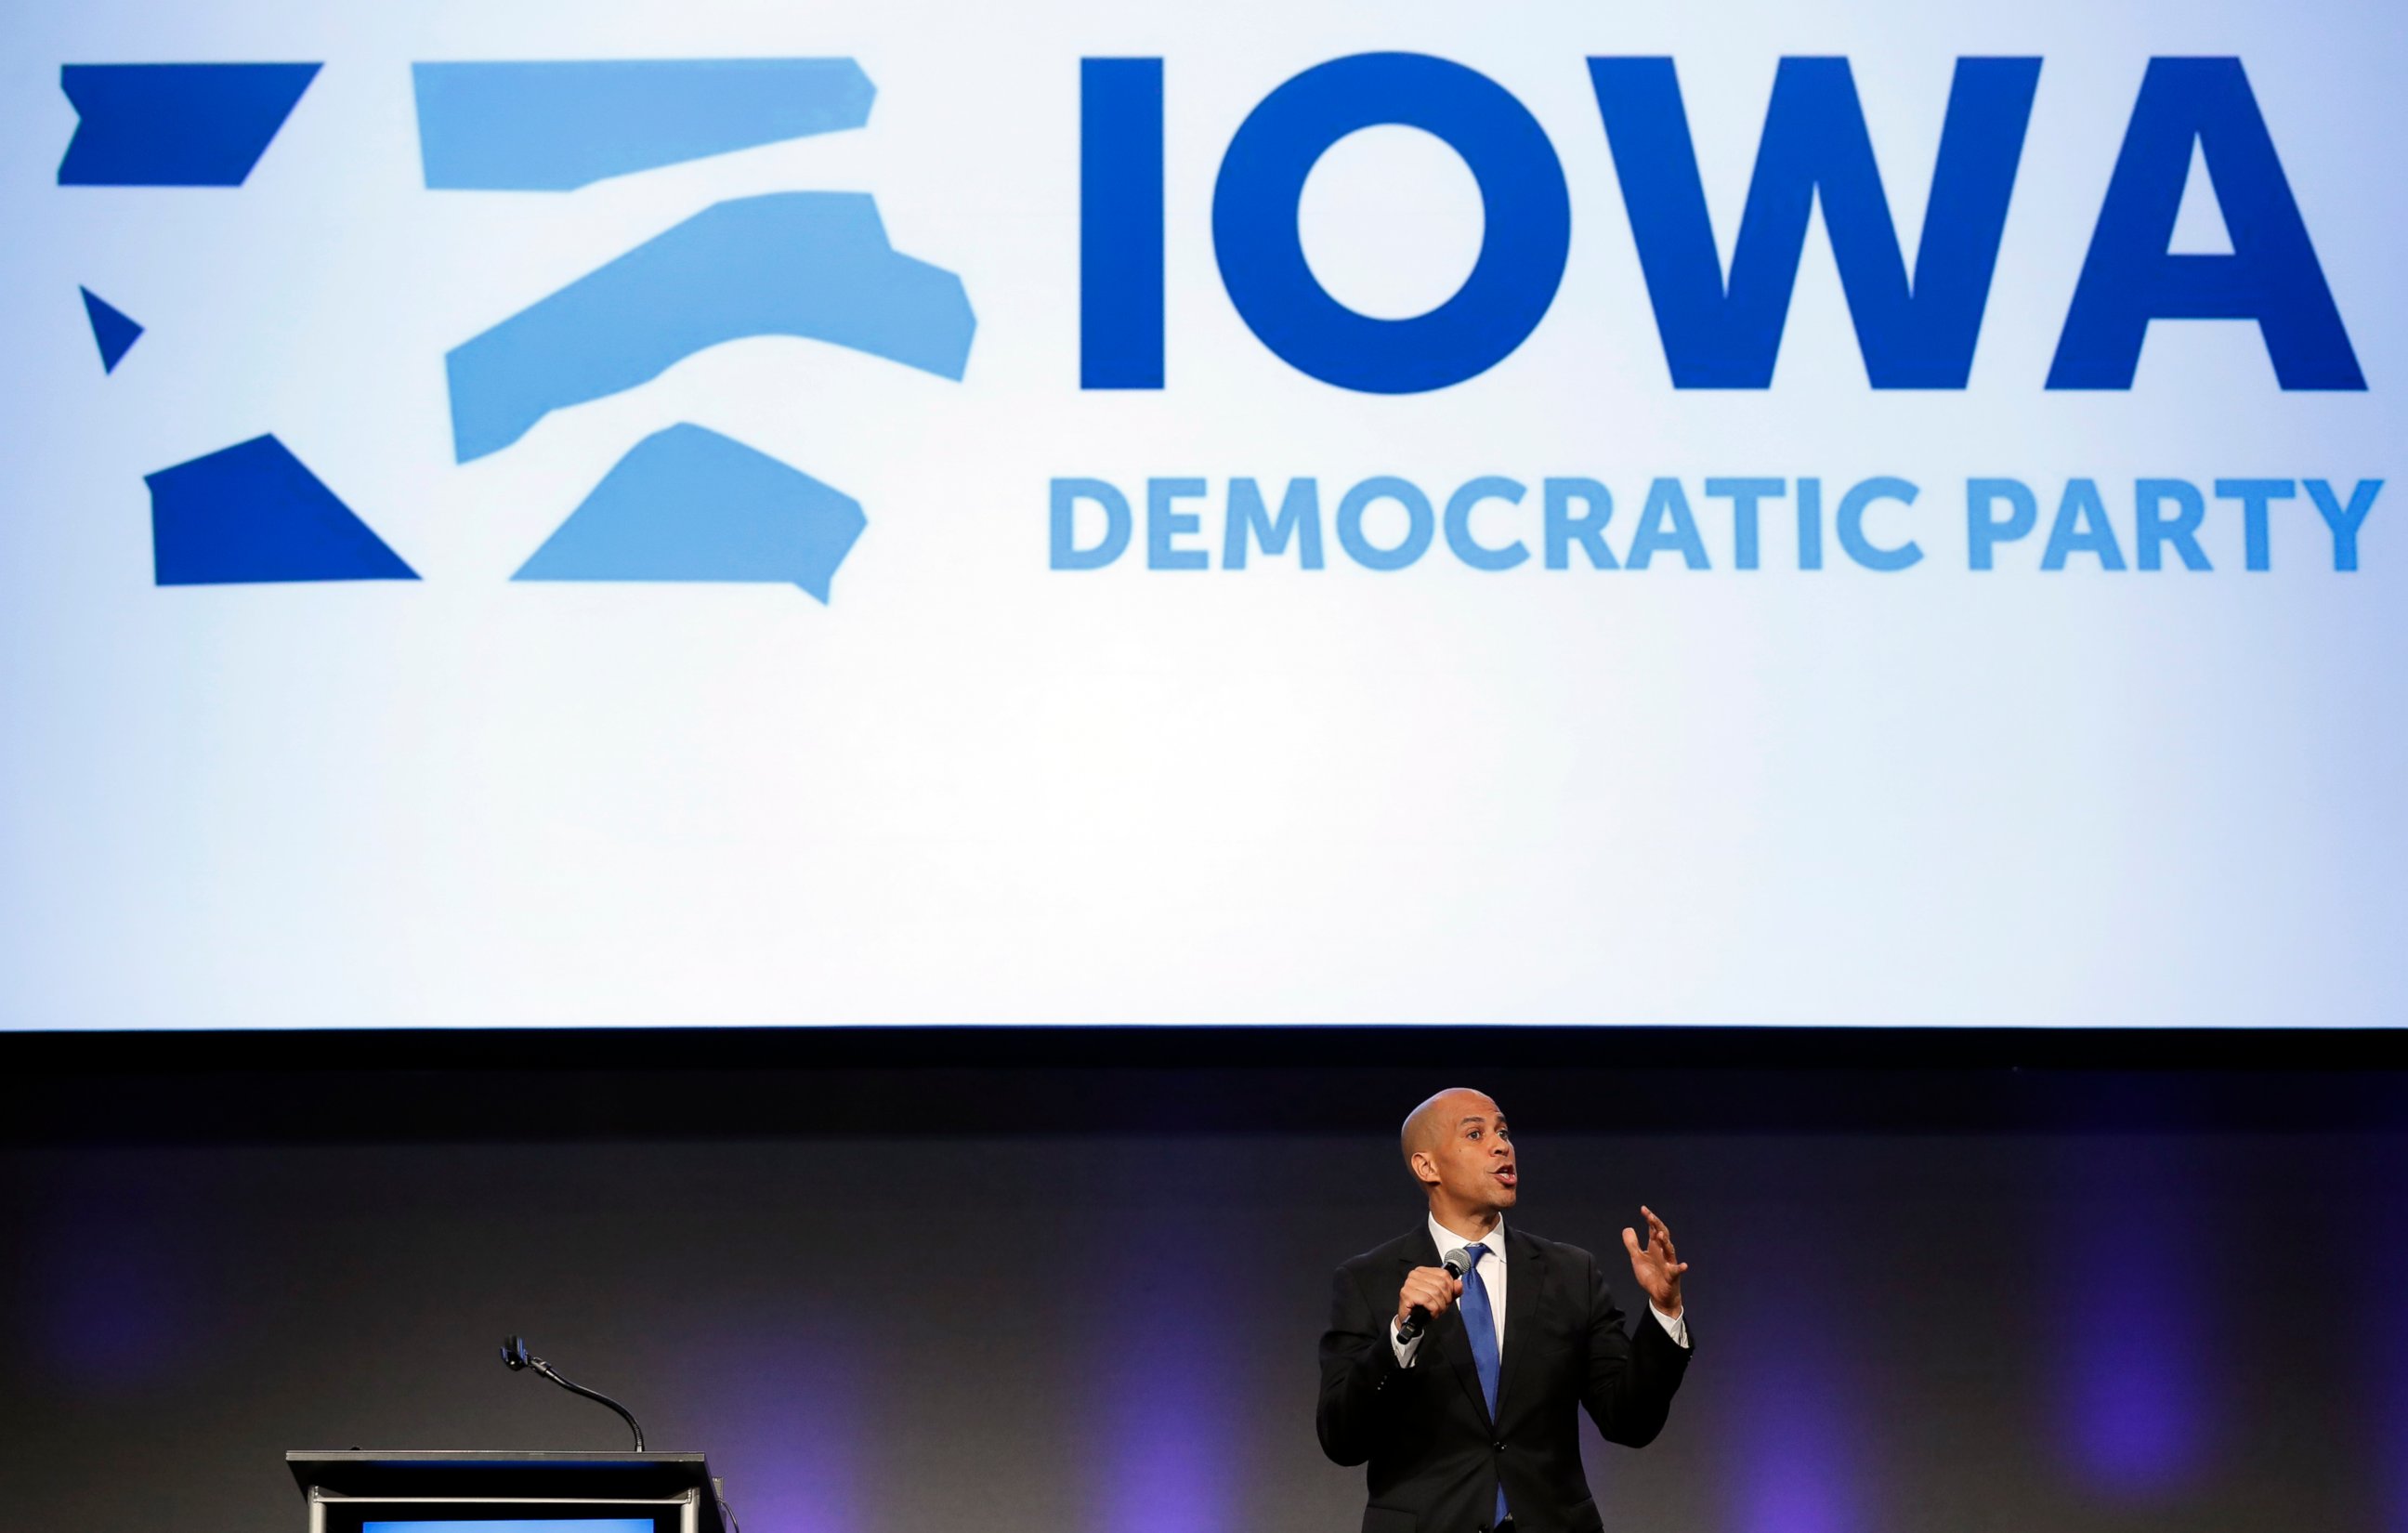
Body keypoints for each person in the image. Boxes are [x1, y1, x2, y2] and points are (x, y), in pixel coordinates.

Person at [1316, 1088, 1693, 1533]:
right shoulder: (1369, 1280)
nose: (1501, 1146)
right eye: (1475, 1134)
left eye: (1503, 1132)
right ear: (1426, 1166)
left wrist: (1665, 1309)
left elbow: (1629, 1421)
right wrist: (1401, 1335)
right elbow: (1342, 1438)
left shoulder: (1569, 1273)